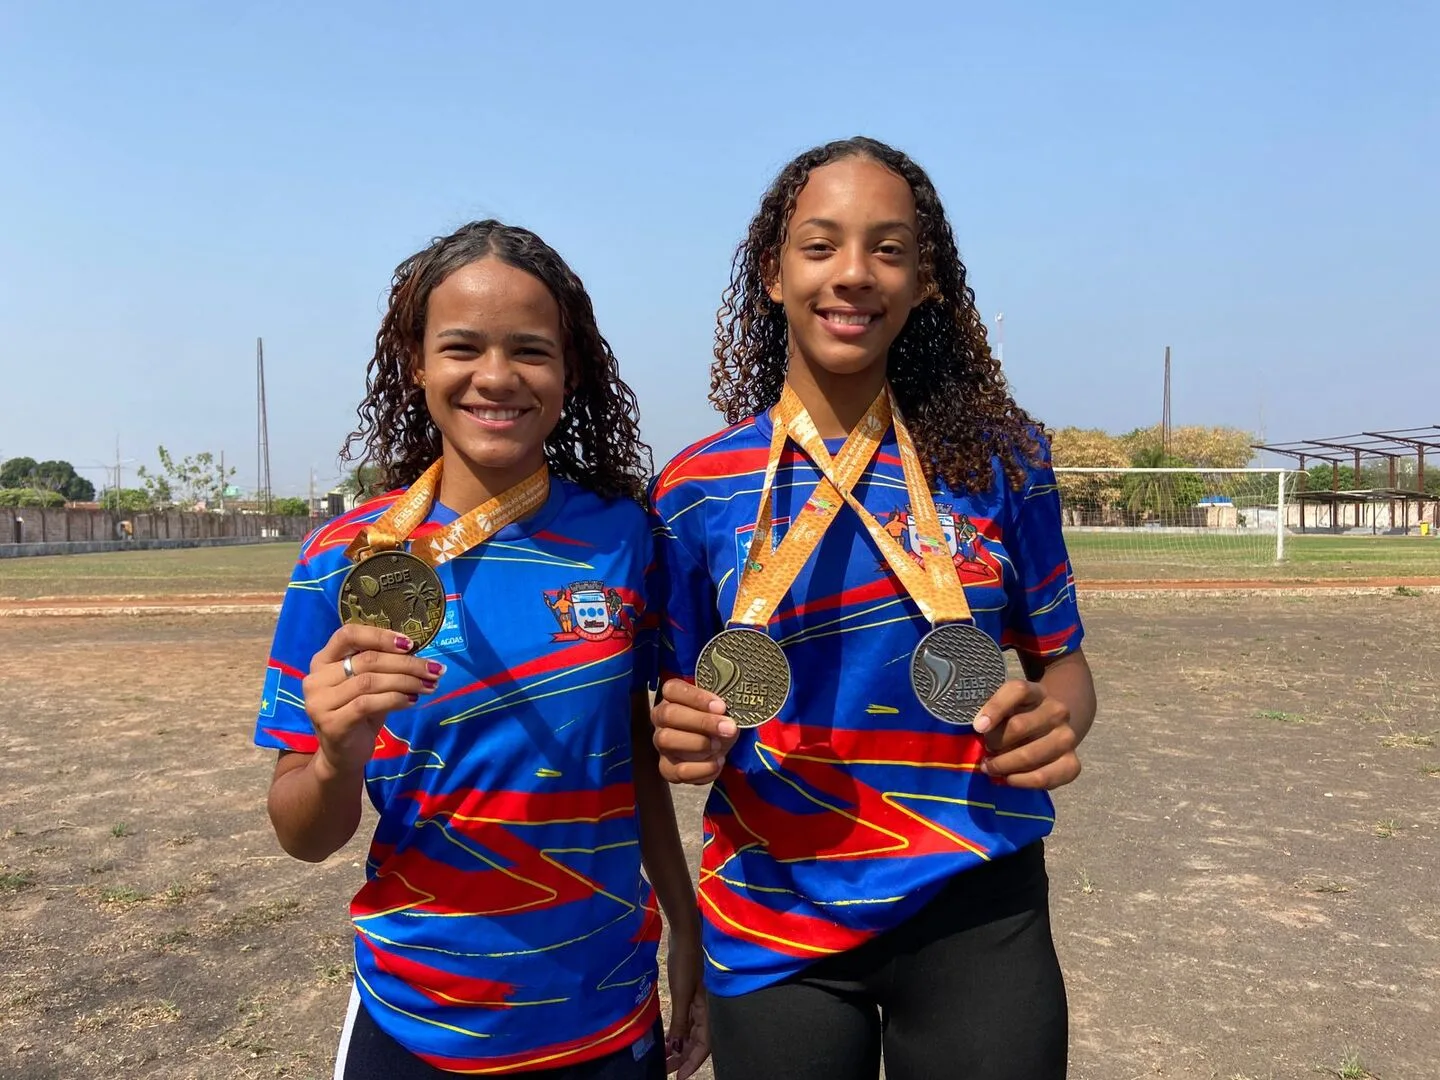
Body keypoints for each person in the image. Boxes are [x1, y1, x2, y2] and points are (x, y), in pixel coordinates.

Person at [648, 138, 1097, 1080]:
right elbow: (674, 705)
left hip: (974, 894)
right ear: (772, 274)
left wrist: (1054, 721)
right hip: (775, 909)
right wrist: (681, 732)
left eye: (888, 249)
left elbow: (1061, 662)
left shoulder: (1002, 460)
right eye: (821, 246)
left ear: (926, 281)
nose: (853, 274)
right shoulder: (693, 492)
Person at [254, 220, 707, 1080]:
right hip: (415, 1020)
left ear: (570, 373)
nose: (496, 376)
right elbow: (303, 837)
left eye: (530, 351)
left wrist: (687, 926)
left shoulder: (625, 540)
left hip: (603, 1015)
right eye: (462, 346)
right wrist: (334, 761)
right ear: (415, 363)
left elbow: (632, 756)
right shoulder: (340, 562)